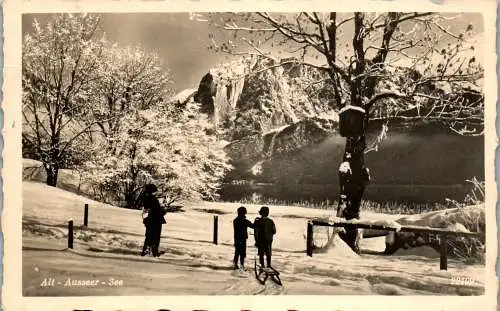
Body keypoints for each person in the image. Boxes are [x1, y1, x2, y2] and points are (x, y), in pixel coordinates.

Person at [140, 183, 166, 257]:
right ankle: (154, 251)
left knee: (149, 235)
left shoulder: (146, 198)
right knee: (156, 236)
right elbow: (157, 210)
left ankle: (146, 249)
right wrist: (163, 210)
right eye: (155, 191)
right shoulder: (152, 199)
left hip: (149, 220)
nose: (156, 192)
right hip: (156, 220)